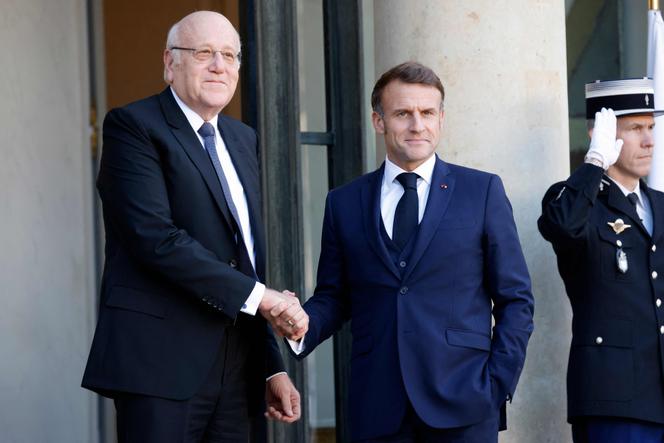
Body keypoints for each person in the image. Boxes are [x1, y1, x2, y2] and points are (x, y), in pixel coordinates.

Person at [81, 11, 307, 442]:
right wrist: (265, 301)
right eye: (203, 53)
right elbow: (156, 240)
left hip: (239, 372)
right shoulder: (134, 127)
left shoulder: (243, 139)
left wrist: (271, 364)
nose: (219, 65)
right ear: (171, 63)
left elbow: (245, 262)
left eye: (229, 55)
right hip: (160, 364)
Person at [285, 61, 535, 442]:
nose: (417, 125)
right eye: (403, 113)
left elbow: (515, 299)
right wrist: (301, 323)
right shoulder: (344, 203)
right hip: (377, 406)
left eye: (427, 113)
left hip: (465, 403)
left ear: (441, 118)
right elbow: (334, 297)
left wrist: (496, 383)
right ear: (378, 120)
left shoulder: (481, 192)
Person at [538, 78, 664, 442]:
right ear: (600, 135)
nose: (649, 140)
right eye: (635, 128)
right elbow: (561, 225)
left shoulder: (660, 205)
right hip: (614, 398)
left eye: (651, 128)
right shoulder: (577, 203)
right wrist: (594, 162)